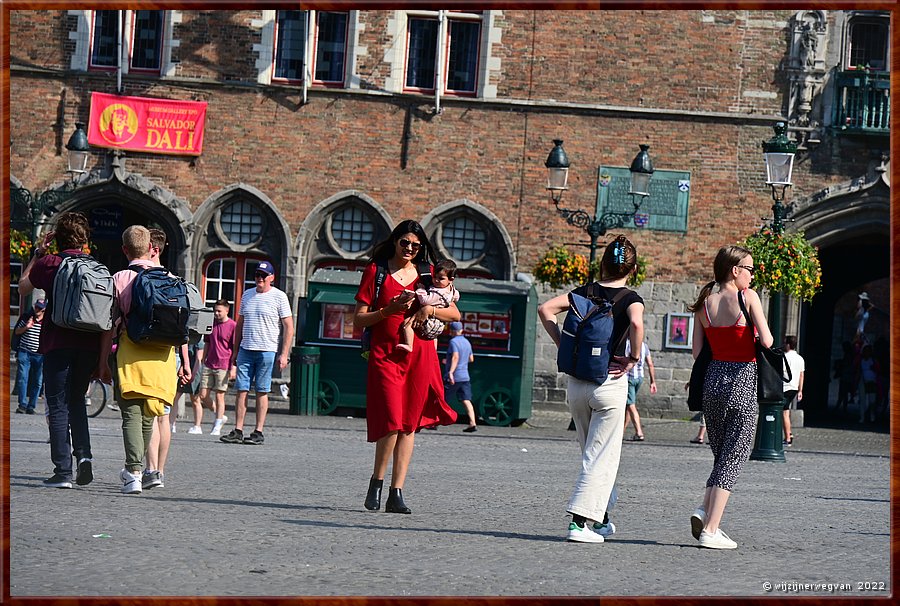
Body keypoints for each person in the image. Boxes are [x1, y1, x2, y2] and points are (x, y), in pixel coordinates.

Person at [538, 235, 645, 543]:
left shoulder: (583, 292)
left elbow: (546, 309)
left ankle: (601, 519)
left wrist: (562, 344)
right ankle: (578, 523)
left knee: (591, 454)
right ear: (633, 268)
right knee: (600, 458)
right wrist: (633, 357)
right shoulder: (631, 298)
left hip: (577, 385)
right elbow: (636, 325)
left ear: (603, 264)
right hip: (609, 383)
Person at [353, 220, 459, 514]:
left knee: (409, 424)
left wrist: (429, 308)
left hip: (420, 354)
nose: (411, 249)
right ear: (395, 241)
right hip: (386, 354)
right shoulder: (376, 271)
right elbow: (358, 319)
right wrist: (387, 311)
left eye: (416, 245)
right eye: (405, 243)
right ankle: (377, 480)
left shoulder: (428, 274)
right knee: (391, 419)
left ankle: (396, 491)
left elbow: (454, 312)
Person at [687, 244, 773, 550]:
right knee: (735, 455)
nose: (752, 276)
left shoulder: (703, 303)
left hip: (712, 381)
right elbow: (767, 339)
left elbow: (698, 353)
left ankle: (705, 509)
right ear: (734, 270)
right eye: (749, 270)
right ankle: (711, 529)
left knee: (722, 453)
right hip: (741, 379)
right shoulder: (746, 297)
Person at [18, 211, 110, 489]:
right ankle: (84, 457)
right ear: (84, 239)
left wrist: (37, 252)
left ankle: (62, 471)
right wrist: (103, 359)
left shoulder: (51, 263)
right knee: (77, 402)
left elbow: (23, 288)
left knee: (57, 405)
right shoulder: (97, 267)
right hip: (89, 345)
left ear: (57, 238)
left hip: (58, 343)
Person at [111, 225, 191, 494]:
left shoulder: (120, 277)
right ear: (151, 248)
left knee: (132, 413)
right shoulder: (171, 277)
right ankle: (149, 471)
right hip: (165, 356)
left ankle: (134, 471)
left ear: (125, 250)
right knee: (150, 415)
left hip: (132, 350)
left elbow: (110, 322)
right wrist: (186, 361)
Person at [220, 261, 294, 446]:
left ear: (271, 278)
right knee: (241, 390)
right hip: (246, 349)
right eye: (257, 275)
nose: (259, 279)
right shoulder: (247, 295)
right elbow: (240, 324)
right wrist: (235, 350)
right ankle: (238, 430)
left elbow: (289, 327)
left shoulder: (279, 297)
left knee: (262, 391)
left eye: (263, 276)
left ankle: (258, 431)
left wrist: (284, 354)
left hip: (266, 350)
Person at [398, 259, 460, 353]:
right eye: (434, 276)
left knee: (407, 324)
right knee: (434, 338)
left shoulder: (438, 292)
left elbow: (425, 300)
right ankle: (433, 350)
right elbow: (457, 297)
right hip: (439, 325)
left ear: (451, 279)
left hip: (428, 322)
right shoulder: (451, 290)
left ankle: (409, 344)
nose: (436, 280)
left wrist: (420, 289)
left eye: (441, 278)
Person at [195, 299, 236, 436]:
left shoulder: (232, 326)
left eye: (219, 311)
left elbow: (234, 347)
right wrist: (202, 360)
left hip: (223, 364)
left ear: (226, 310)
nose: (216, 313)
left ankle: (217, 424)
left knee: (220, 395)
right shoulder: (211, 324)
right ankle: (219, 414)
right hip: (209, 363)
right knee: (203, 395)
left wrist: (233, 366)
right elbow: (207, 342)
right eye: (215, 311)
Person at [13, 298, 47, 414]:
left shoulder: (46, 322)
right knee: (23, 378)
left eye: (40, 308)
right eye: (36, 307)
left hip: (39, 355)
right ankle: (22, 404)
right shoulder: (26, 317)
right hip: (25, 351)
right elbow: (17, 331)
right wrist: (27, 327)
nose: (37, 310)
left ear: (44, 310)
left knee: (38, 381)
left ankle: (31, 406)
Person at [444, 321, 477, 432]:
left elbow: (455, 357)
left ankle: (435, 422)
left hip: (455, 376)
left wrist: (450, 372)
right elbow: (471, 359)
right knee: (466, 400)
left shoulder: (453, 342)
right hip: (465, 376)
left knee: (443, 398)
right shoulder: (467, 342)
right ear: (461, 330)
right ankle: (472, 423)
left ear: (452, 331)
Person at [623, 338, 656, 441]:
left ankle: (639, 432)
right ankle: (621, 431)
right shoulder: (644, 346)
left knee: (630, 405)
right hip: (639, 378)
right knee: (628, 405)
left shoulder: (626, 344)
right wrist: (652, 381)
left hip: (629, 378)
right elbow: (650, 364)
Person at [781, 335, 805, 446]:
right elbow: (801, 375)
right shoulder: (800, 359)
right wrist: (800, 390)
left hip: (785, 387)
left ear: (788, 344)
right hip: (794, 388)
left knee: (784, 413)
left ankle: (788, 437)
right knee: (786, 410)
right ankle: (788, 433)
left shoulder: (784, 357)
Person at [833, 341, 856, 413]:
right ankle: (842, 407)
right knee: (843, 393)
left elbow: (847, 364)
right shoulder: (849, 355)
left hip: (846, 376)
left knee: (843, 392)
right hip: (847, 375)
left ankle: (841, 407)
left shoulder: (849, 355)